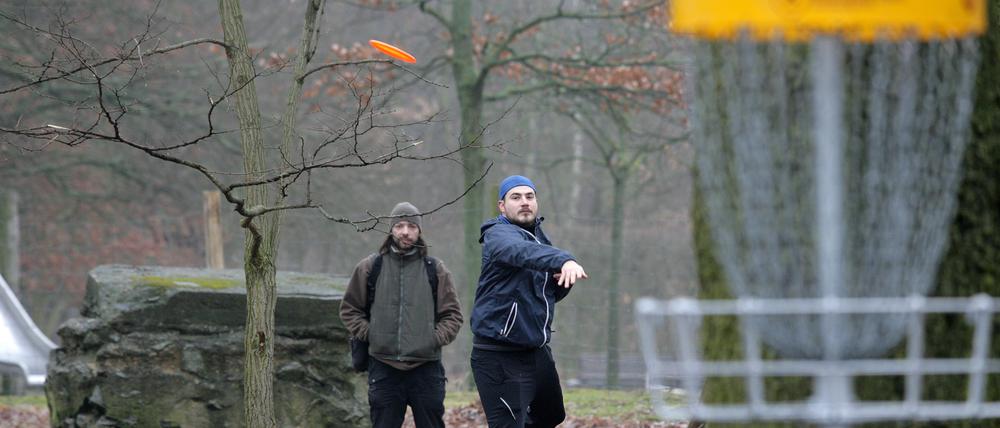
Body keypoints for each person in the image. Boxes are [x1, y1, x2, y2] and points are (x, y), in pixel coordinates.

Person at [470, 175, 589, 428]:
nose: (524, 202)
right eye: (516, 197)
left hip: (536, 351)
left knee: (552, 415)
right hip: (499, 356)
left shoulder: (538, 239)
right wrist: (563, 259)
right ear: (502, 206)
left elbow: (546, 295)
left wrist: (560, 281)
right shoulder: (498, 235)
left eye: (529, 196)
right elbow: (519, 253)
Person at [340, 202, 463, 428]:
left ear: (419, 231)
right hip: (384, 367)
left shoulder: (435, 269)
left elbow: (453, 316)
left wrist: (431, 339)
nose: (405, 231)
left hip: (426, 368)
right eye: (399, 226)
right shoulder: (370, 267)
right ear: (391, 230)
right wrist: (372, 333)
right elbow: (349, 309)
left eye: (411, 226)